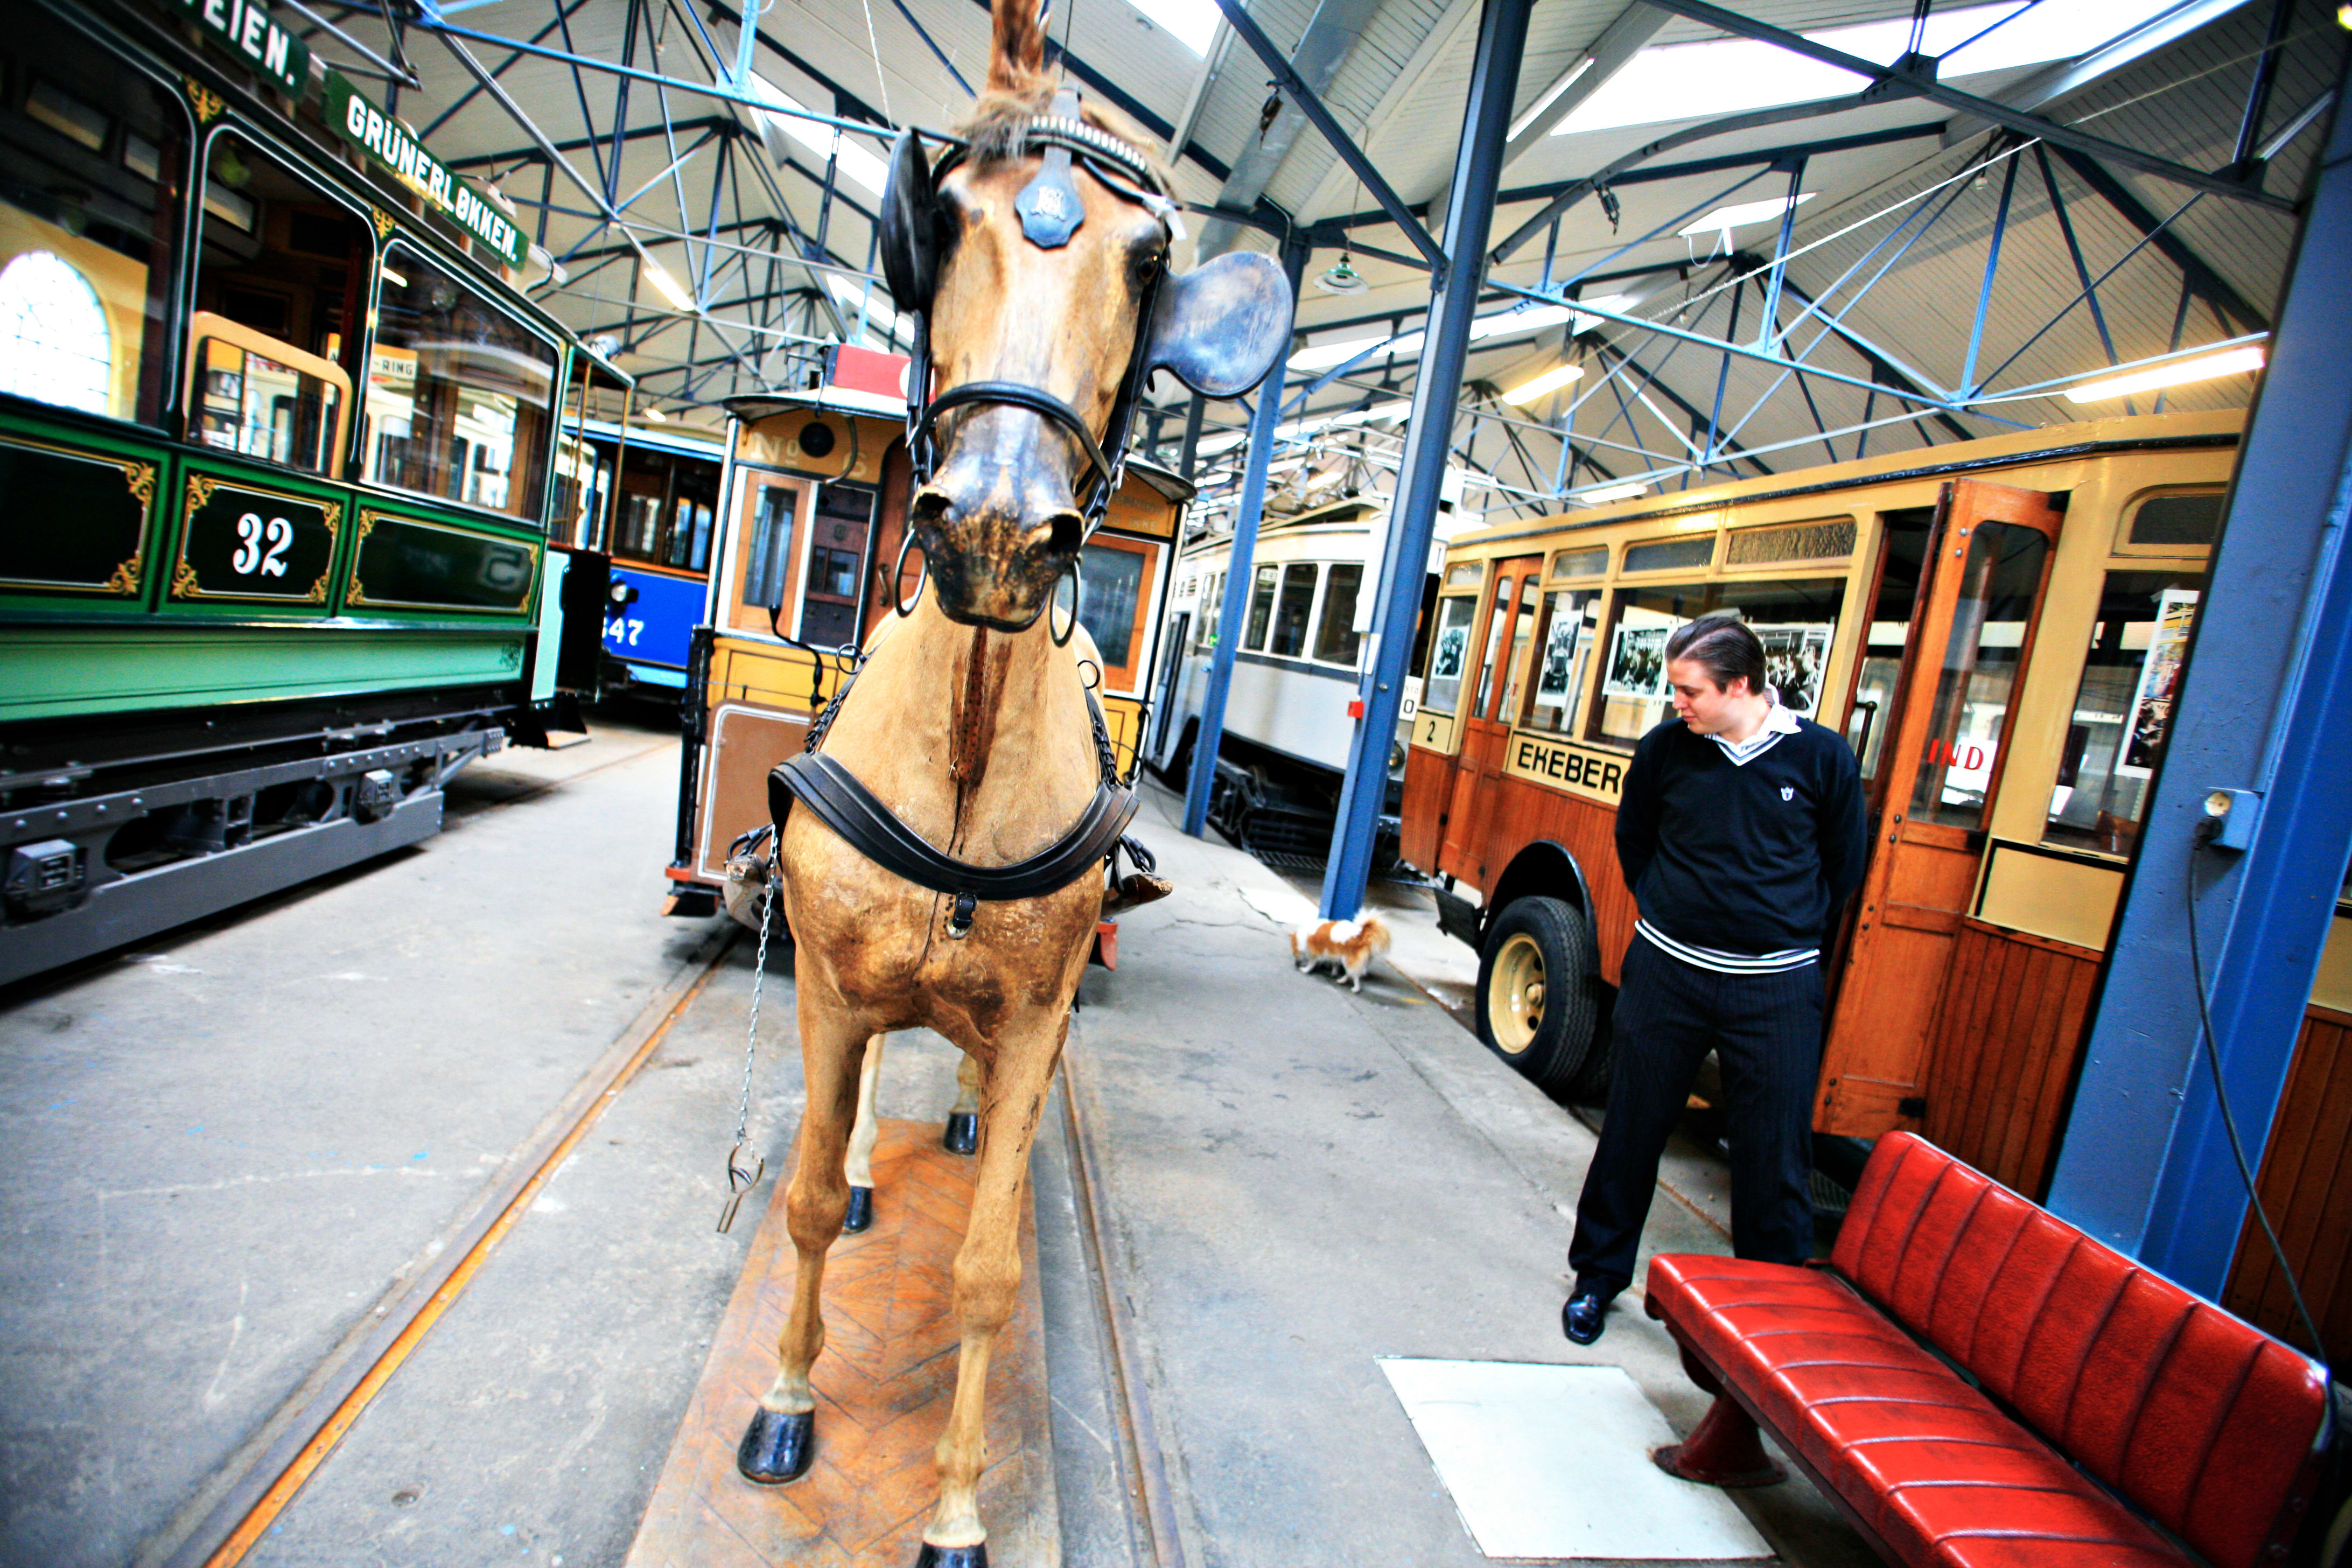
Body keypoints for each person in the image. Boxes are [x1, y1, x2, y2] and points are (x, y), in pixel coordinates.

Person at [1560, 613, 1865, 1346]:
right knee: (1632, 1131)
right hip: (1668, 976)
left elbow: (1844, 866)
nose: (1678, 703)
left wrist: (1780, 933)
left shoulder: (1821, 757)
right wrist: (1668, 909)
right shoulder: (1667, 749)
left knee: (1774, 1156)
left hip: (1775, 992)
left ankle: (1767, 1317)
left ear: (1741, 686)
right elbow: (1634, 837)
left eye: (1690, 690)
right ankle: (1598, 1278)